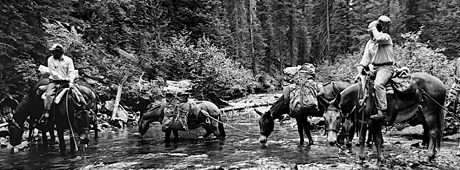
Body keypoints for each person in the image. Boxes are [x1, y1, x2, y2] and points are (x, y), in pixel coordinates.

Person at [357, 15, 394, 120]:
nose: (370, 33)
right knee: (361, 86)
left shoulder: (386, 37)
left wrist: (374, 28)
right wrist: (360, 70)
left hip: (386, 68)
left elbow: (378, 38)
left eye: (371, 31)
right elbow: (365, 59)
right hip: (374, 68)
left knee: (378, 84)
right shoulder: (369, 43)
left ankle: (383, 110)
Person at [42, 43, 76, 122]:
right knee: (48, 94)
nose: (53, 53)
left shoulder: (68, 60)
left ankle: (83, 109)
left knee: (78, 93)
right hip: (54, 81)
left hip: (68, 81)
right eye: (52, 52)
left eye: (54, 52)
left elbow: (71, 71)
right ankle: (46, 111)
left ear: (60, 52)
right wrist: (63, 79)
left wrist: (71, 81)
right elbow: (53, 73)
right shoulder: (50, 59)